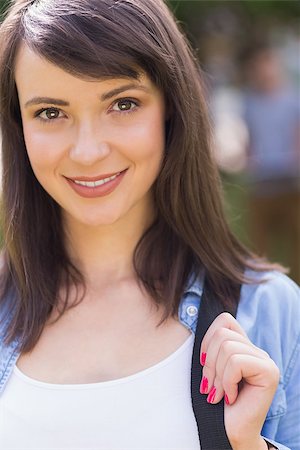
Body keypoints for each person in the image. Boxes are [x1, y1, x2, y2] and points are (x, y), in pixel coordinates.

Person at [0, 1, 299, 449]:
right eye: (50, 112)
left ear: (170, 110)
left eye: (122, 104)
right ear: (18, 127)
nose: (87, 151)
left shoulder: (271, 311)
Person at [240, 43, 300, 284]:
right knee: (260, 242)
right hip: (262, 180)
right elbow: (250, 138)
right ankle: (264, 285)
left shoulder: (293, 100)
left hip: (289, 179)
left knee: (295, 237)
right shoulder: (250, 103)